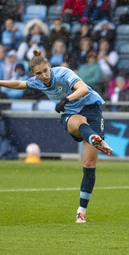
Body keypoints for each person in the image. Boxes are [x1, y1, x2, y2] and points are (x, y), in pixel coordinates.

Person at [0, 50, 113, 223]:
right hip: (71, 115)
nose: (44, 75)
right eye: (39, 73)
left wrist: (65, 100)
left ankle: (81, 212)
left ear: (49, 66)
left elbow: (83, 89)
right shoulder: (37, 82)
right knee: (79, 121)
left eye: (46, 70)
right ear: (33, 74)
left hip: (91, 110)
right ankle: (93, 138)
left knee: (89, 164)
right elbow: (18, 84)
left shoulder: (63, 73)